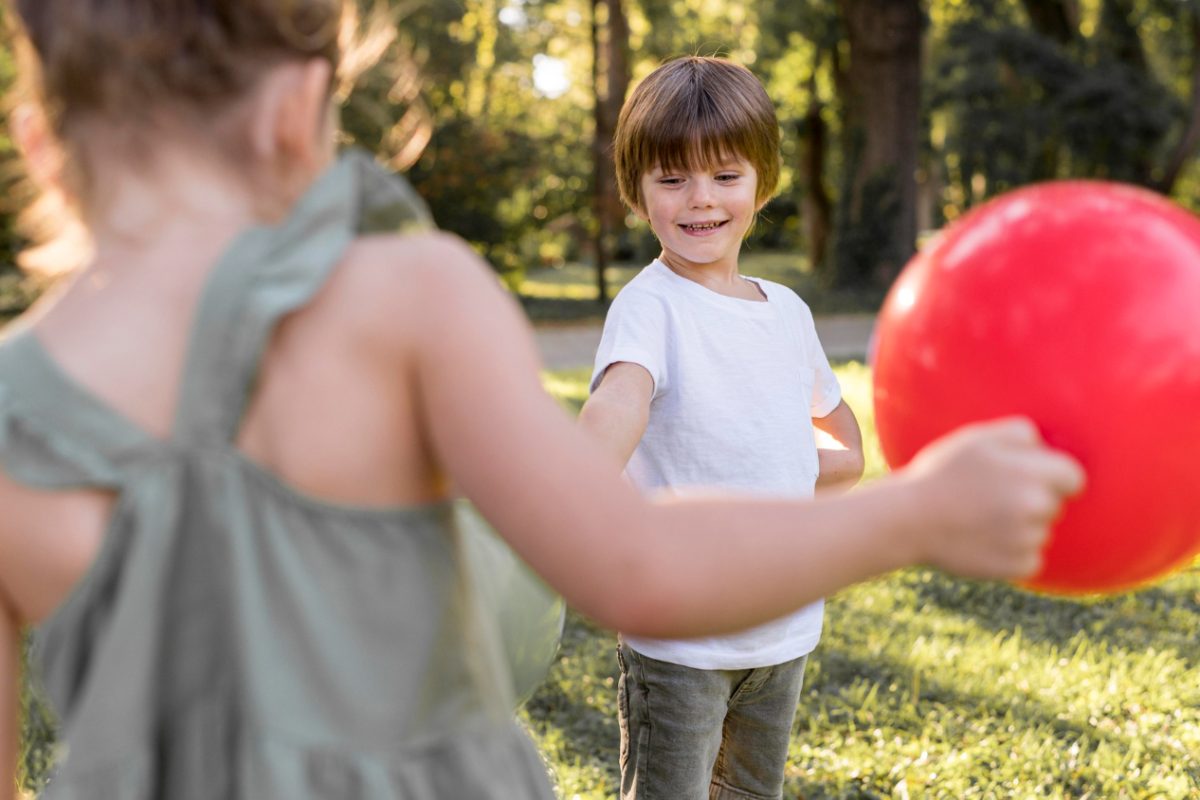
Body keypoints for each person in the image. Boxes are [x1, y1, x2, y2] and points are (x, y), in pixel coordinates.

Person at [0, 3, 1084, 799]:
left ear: (40, 141)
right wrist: (914, 512)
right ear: (298, 108)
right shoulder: (414, 297)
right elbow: (637, 566)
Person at [577, 55, 866, 800]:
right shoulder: (650, 308)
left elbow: (845, 446)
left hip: (782, 632)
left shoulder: (788, 312)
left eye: (725, 176)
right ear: (636, 192)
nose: (699, 200)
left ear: (762, 182)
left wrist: (783, 469)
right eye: (672, 179)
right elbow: (620, 402)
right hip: (679, 636)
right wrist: (571, 482)